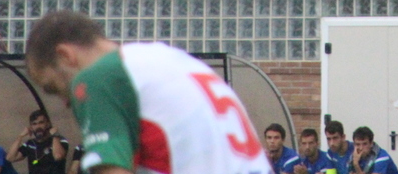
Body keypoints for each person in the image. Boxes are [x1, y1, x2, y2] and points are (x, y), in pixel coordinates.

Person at [26, 10, 271, 174]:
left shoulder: (98, 77)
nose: (66, 102)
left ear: (66, 56)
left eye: (55, 88)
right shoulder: (174, 59)